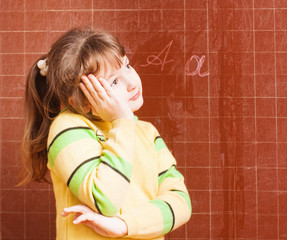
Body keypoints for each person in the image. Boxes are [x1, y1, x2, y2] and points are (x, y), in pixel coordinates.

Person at [20, 27, 192, 239]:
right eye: (114, 81)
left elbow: (181, 202)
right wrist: (122, 121)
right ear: (81, 102)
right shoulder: (68, 128)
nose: (132, 83)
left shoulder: (147, 132)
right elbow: (106, 201)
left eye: (127, 66)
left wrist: (124, 225)